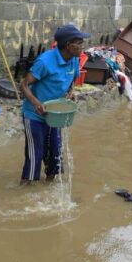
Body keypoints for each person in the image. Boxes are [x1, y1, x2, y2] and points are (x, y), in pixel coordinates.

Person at [20, 23, 90, 184]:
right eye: (79, 43)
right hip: (34, 115)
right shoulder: (45, 62)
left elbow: (73, 79)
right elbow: (24, 85)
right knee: (35, 156)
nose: (82, 46)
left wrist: (70, 94)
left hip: (54, 114)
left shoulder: (74, 60)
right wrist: (36, 103)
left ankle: (48, 186)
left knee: (55, 156)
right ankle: (25, 191)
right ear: (68, 45)